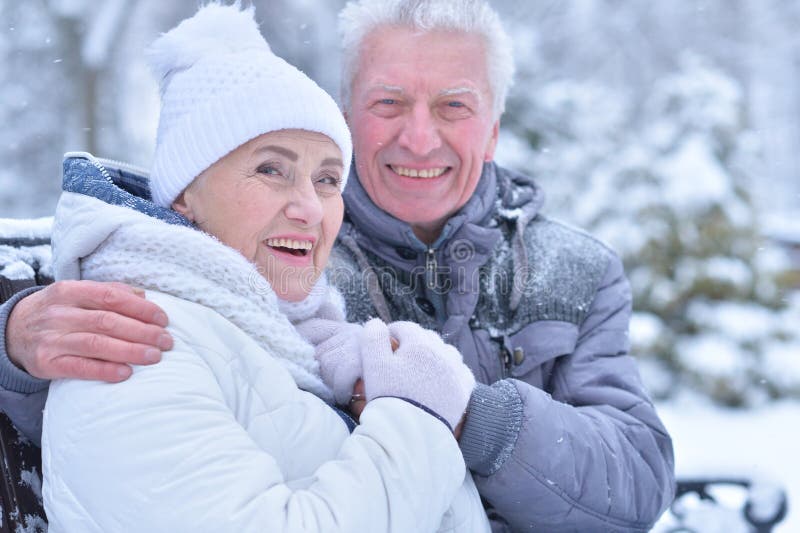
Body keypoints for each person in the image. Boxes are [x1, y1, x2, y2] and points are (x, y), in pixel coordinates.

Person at [0, 0, 676, 530]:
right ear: (351, 112)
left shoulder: (574, 269)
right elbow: (132, 404)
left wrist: (474, 417)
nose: (418, 135)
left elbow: (639, 481)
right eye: (389, 103)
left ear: (493, 127)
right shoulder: (276, 251)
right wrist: (14, 342)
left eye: (454, 106)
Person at [37, 3, 489, 532]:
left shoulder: (288, 339)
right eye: (271, 169)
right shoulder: (133, 342)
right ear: (185, 193)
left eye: (326, 180)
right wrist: (417, 419)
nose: (310, 208)